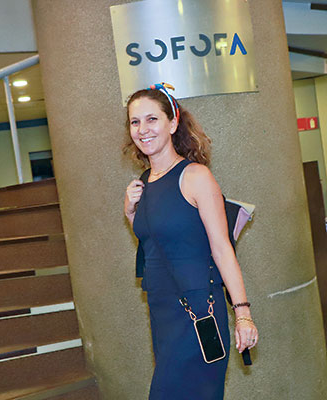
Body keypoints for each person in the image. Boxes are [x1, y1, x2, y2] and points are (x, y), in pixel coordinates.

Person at [123, 83, 258, 399]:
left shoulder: (195, 176)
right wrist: (130, 212)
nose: (143, 129)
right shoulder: (143, 183)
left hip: (198, 310)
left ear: (172, 123)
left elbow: (222, 248)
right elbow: (156, 242)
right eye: (134, 122)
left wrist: (243, 314)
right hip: (162, 311)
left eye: (152, 119)